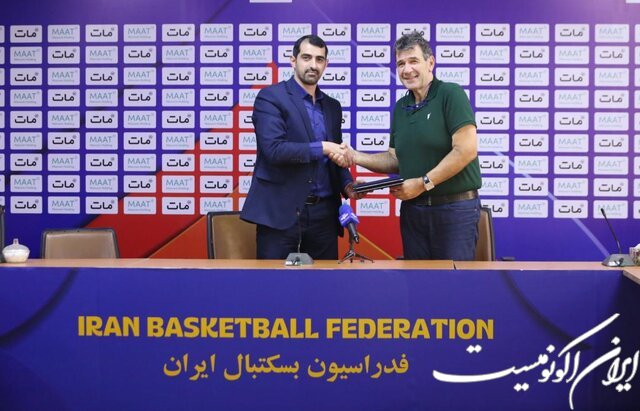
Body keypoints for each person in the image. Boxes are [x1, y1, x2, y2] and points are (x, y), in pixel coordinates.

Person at [333, 31, 481, 260]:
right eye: (401, 63)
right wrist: (355, 156)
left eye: (413, 61)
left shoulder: (450, 94)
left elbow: (466, 150)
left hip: (454, 210)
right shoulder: (401, 107)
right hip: (414, 211)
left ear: (430, 62)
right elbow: (395, 159)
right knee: (417, 279)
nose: (407, 69)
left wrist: (423, 183)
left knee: (453, 281)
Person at [241, 34, 357, 260]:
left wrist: (347, 184)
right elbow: (274, 150)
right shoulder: (270, 97)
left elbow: (333, 159)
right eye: (306, 57)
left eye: (319, 59)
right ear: (293, 61)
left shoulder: (332, 106)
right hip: (281, 212)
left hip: (324, 215)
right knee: (275, 281)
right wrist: (324, 147)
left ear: (326, 64)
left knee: (324, 280)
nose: (313, 65)